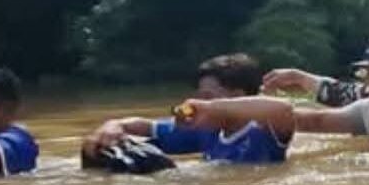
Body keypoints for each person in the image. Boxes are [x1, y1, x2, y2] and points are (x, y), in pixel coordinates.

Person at [83, 54, 294, 164]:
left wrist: (210, 107)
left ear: (238, 95)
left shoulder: (265, 131)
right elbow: (149, 127)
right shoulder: (206, 131)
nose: (200, 102)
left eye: (208, 97)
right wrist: (113, 125)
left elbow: (283, 108)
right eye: (200, 97)